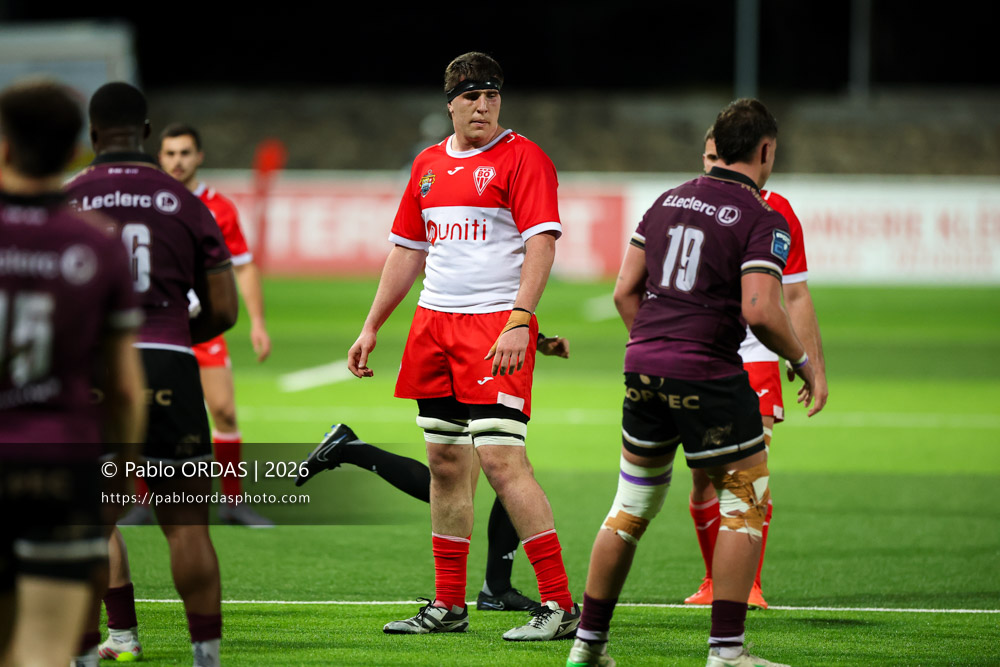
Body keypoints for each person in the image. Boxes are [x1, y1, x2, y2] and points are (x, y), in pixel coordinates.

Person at [567, 98, 817, 667]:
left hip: (642, 366)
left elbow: (623, 291)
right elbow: (761, 310)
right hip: (707, 370)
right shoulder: (762, 216)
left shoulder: (666, 200)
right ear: (765, 150)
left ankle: (588, 645)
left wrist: (654, 351)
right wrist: (802, 360)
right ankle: (727, 652)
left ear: (715, 147)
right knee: (744, 502)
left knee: (630, 506)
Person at [343, 51, 578, 640]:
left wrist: (521, 320)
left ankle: (559, 604)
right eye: (471, 96)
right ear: (450, 103)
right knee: (446, 465)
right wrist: (372, 325)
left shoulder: (523, 158)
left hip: (492, 328)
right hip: (433, 326)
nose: (483, 106)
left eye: (492, 95)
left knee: (502, 462)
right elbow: (407, 250)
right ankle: (449, 605)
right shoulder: (427, 165)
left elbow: (541, 244)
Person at [64, 81, 238, 667]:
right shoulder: (183, 201)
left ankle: (88, 652)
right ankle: (205, 656)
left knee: (89, 523)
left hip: (96, 368)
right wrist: (176, 340)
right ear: (145, 133)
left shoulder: (66, 198)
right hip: (169, 360)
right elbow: (225, 309)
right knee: (187, 527)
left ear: (92, 134)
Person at [0, 79, 145, 667]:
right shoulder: (98, 244)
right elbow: (126, 388)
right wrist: (120, 469)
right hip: (61, 465)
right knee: (43, 649)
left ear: (5, 146)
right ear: (72, 152)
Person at [295, 332, 570, 612]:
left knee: (487, 475)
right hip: (465, 352)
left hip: (464, 345)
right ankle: (495, 588)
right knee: (481, 477)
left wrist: (534, 338)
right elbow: (478, 306)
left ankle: (496, 588)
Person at [684, 130, 829, 609]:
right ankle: (713, 580)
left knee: (749, 473)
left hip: (756, 355)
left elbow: (795, 292)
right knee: (703, 476)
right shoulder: (690, 204)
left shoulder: (777, 210)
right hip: (704, 356)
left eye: (719, 156)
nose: (714, 166)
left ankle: (749, 585)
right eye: (708, 157)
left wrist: (809, 361)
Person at [117, 122, 274, 528]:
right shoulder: (146, 203)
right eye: (170, 153)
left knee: (223, 410)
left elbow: (243, 266)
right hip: (158, 326)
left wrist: (257, 322)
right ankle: (140, 502)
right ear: (159, 157)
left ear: (199, 156)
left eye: (185, 153)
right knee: (141, 412)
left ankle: (233, 502)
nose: (177, 161)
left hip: (202, 327)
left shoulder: (219, 207)